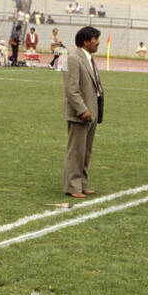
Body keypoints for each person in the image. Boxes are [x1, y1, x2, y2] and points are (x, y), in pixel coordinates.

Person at [63, 25, 103, 198]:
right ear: (86, 41)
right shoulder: (73, 59)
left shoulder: (89, 59)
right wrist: (82, 110)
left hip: (92, 112)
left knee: (85, 151)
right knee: (76, 151)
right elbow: (71, 89)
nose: (98, 42)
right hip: (81, 114)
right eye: (95, 39)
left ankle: (82, 184)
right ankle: (73, 187)